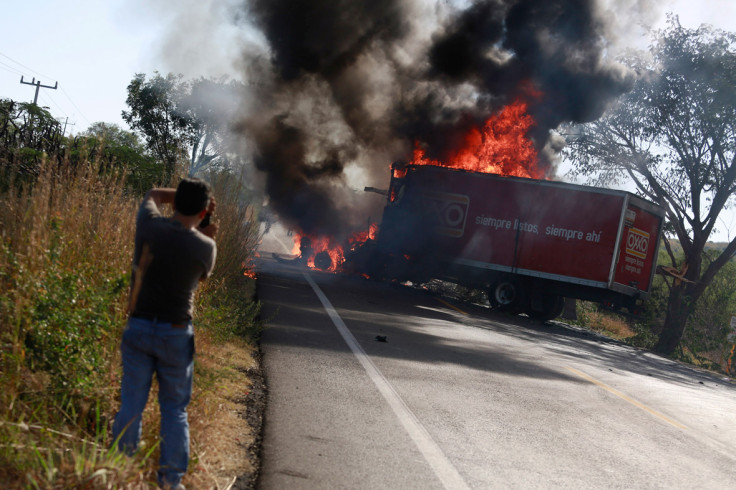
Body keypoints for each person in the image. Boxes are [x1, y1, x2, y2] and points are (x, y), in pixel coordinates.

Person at [112, 178, 217, 490]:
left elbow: (152, 193)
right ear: (203, 210)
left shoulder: (148, 226)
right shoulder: (205, 246)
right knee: (174, 410)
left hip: (139, 327)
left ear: (175, 203)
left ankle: (119, 468)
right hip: (175, 333)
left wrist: (185, 198)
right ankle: (170, 481)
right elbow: (202, 277)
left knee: (131, 402)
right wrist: (204, 220)